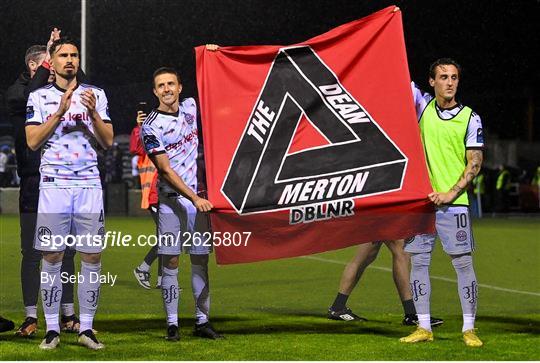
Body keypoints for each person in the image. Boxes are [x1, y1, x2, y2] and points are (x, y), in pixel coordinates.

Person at [25, 37, 113, 350]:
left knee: (92, 255)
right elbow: (33, 141)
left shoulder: (96, 95)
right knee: (52, 256)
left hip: (89, 184)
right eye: (63, 55)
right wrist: (59, 112)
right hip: (54, 186)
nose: (70, 60)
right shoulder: (38, 97)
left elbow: (107, 141)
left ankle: (86, 329)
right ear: (53, 59)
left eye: (74, 54)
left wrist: (94, 117)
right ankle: (52, 329)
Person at [400, 59, 484, 347]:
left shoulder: (470, 117)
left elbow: (475, 162)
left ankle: (469, 329)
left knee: (463, 265)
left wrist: (450, 192)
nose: (450, 82)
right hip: (422, 205)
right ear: (432, 82)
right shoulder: (422, 107)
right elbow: (395, 76)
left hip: (455, 203)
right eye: (443, 77)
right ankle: (424, 327)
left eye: (454, 77)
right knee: (418, 263)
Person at [6, 28, 80, 337]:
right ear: (32, 66)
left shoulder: (59, 92)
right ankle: (30, 316)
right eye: (45, 64)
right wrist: (51, 60)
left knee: (67, 252)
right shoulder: (17, 93)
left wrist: (64, 55)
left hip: (62, 183)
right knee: (32, 253)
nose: (51, 69)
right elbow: (31, 98)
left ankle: (67, 313)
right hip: (34, 185)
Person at [141, 67, 222, 341]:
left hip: (195, 203)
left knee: (200, 261)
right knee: (171, 263)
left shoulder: (190, 107)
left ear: (180, 87)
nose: (166, 89)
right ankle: (172, 324)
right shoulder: (150, 125)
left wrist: (213, 55)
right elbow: (165, 170)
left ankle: (202, 321)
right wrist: (195, 197)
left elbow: (213, 83)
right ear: (155, 91)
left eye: (171, 84)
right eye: (161, 85)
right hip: (171, 203)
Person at [327, 240, 443, 327]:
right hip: (385, 214)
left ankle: (338, 307)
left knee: (366, 256)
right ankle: (412, 314)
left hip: (375, 214)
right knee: (401, 253)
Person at [130, 110, 163, 289]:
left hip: (166, 196)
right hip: (155, 196)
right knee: (167, 238)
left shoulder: (165, 142)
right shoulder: (148, 142)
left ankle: (161, 280)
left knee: (167, 238)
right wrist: (139, 127)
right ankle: (143, 268)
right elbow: (136, 148)